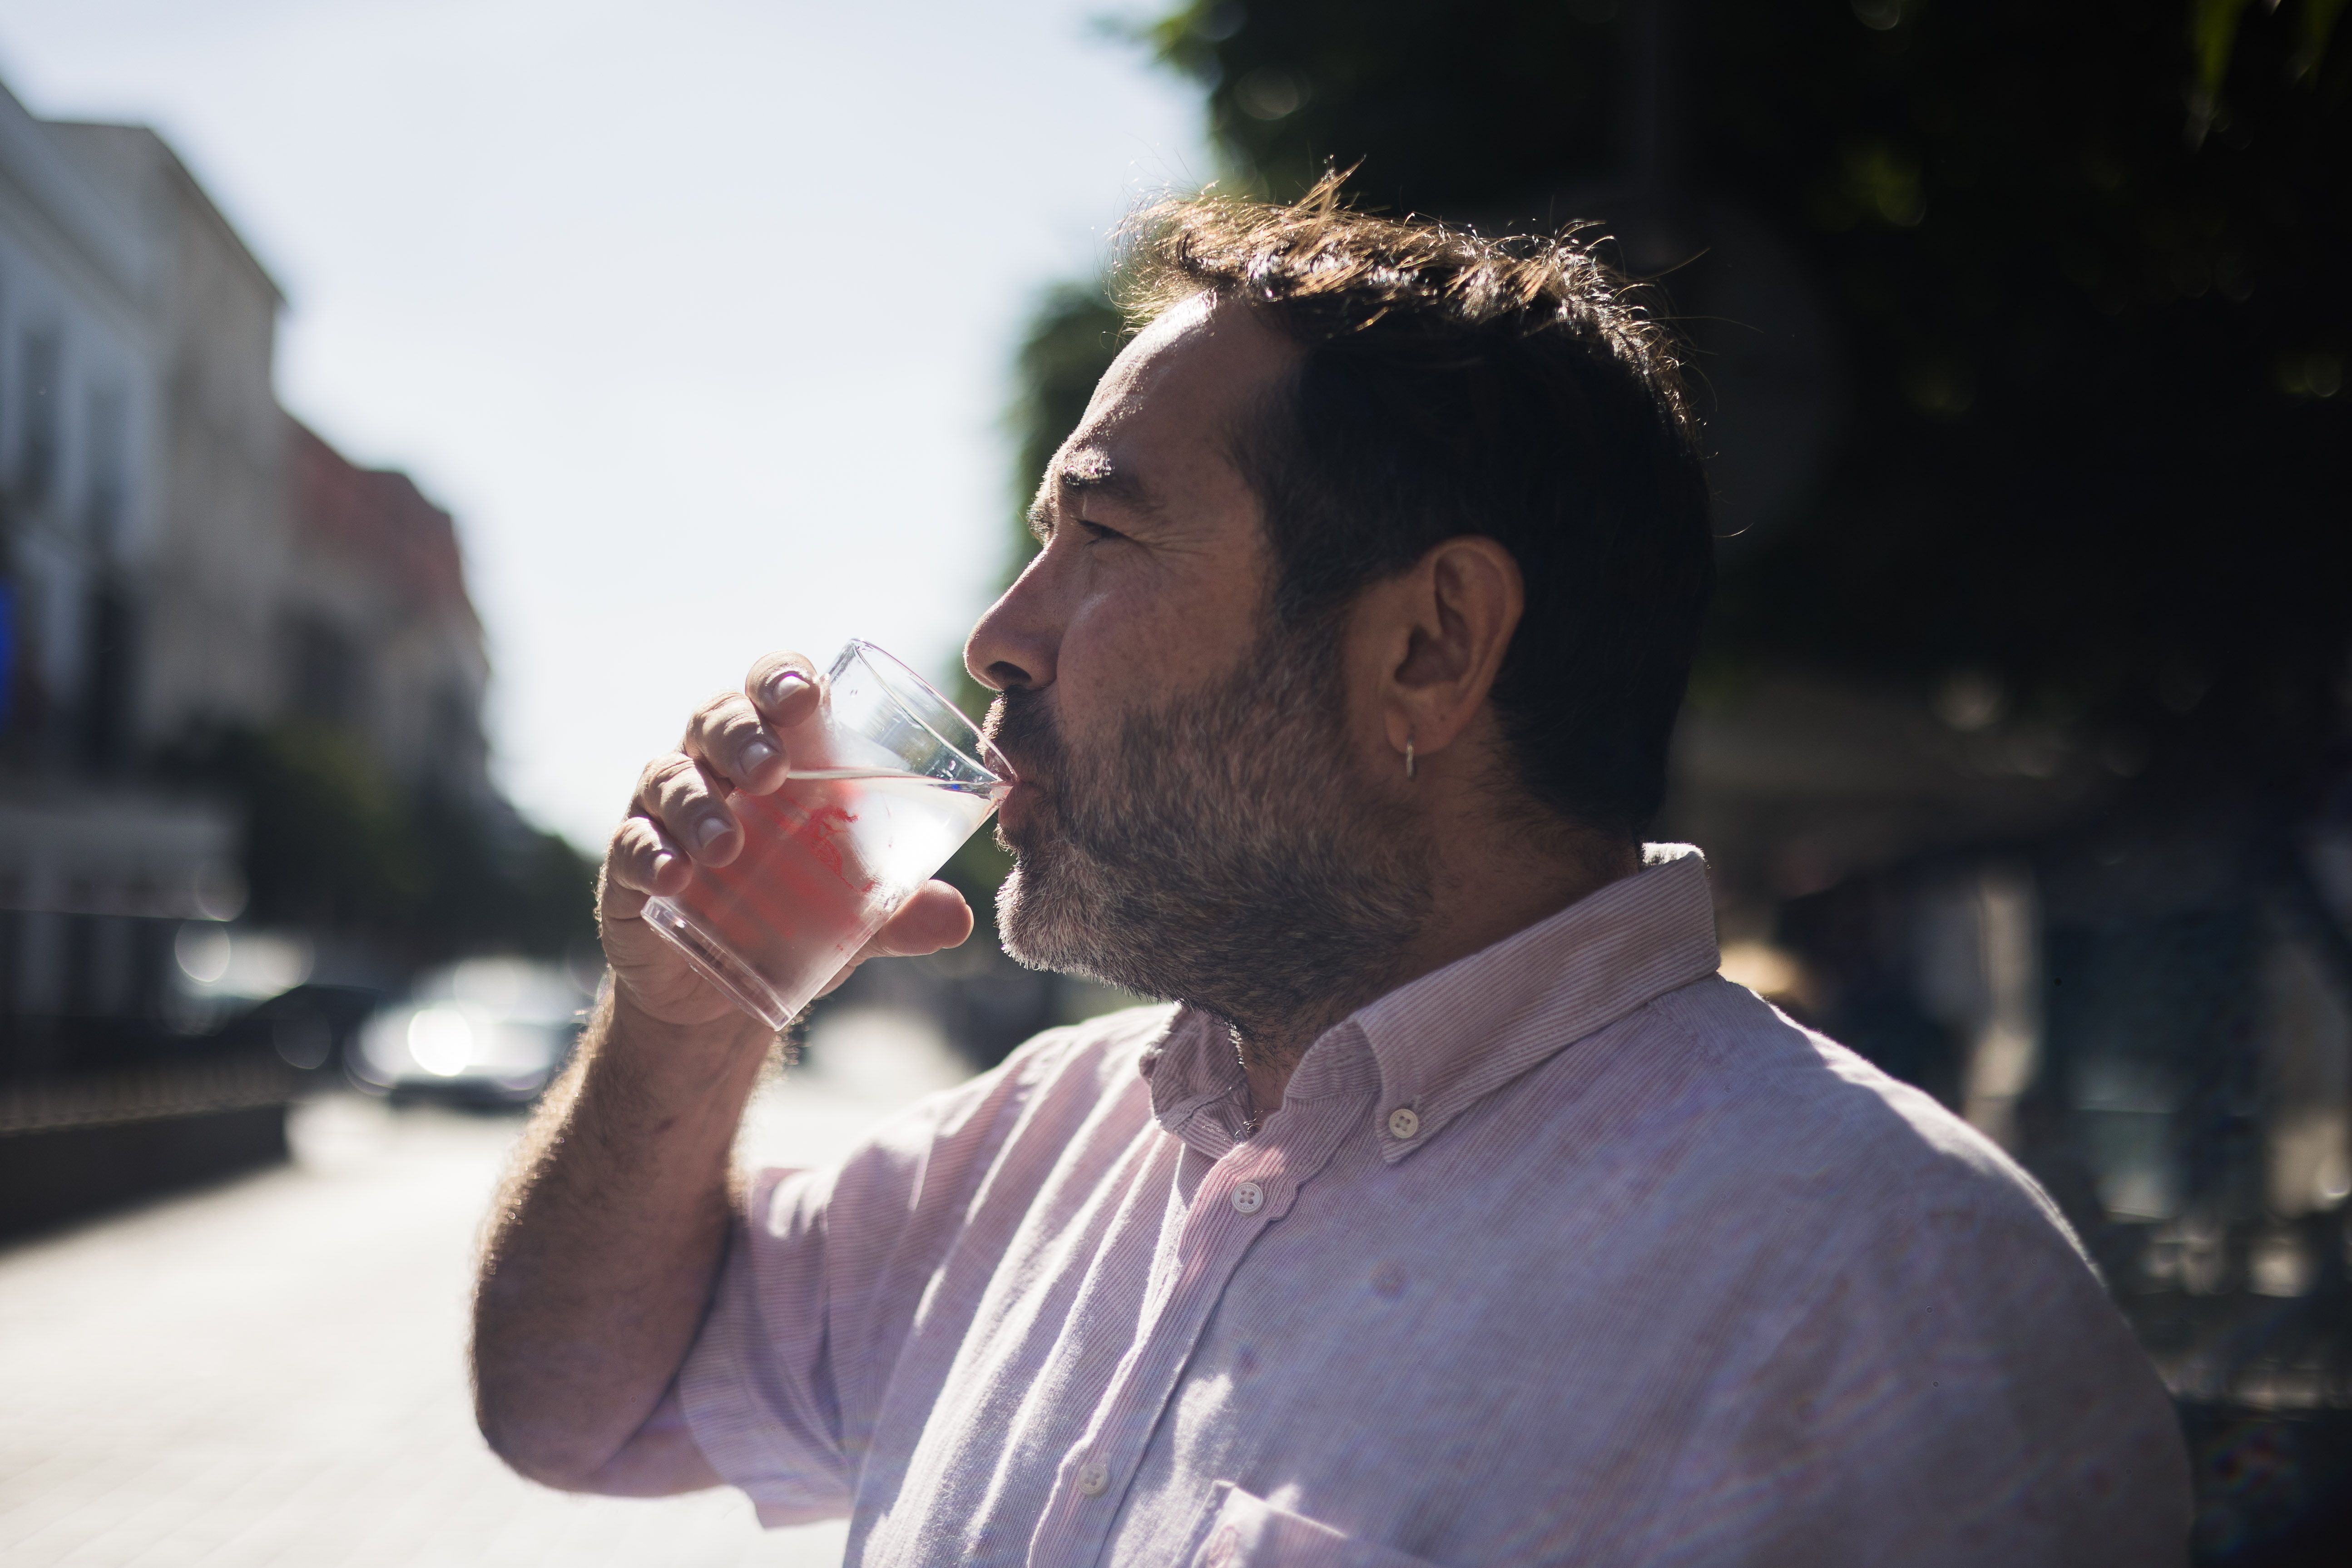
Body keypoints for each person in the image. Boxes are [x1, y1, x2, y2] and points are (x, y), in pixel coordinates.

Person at [471, 181, 2191, 1566]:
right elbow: (572, 1410)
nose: (999, 637)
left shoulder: (1891, 1303)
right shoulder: (1041, 1148)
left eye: (1104, 534)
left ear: (1429, 650)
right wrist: (684, 1026)